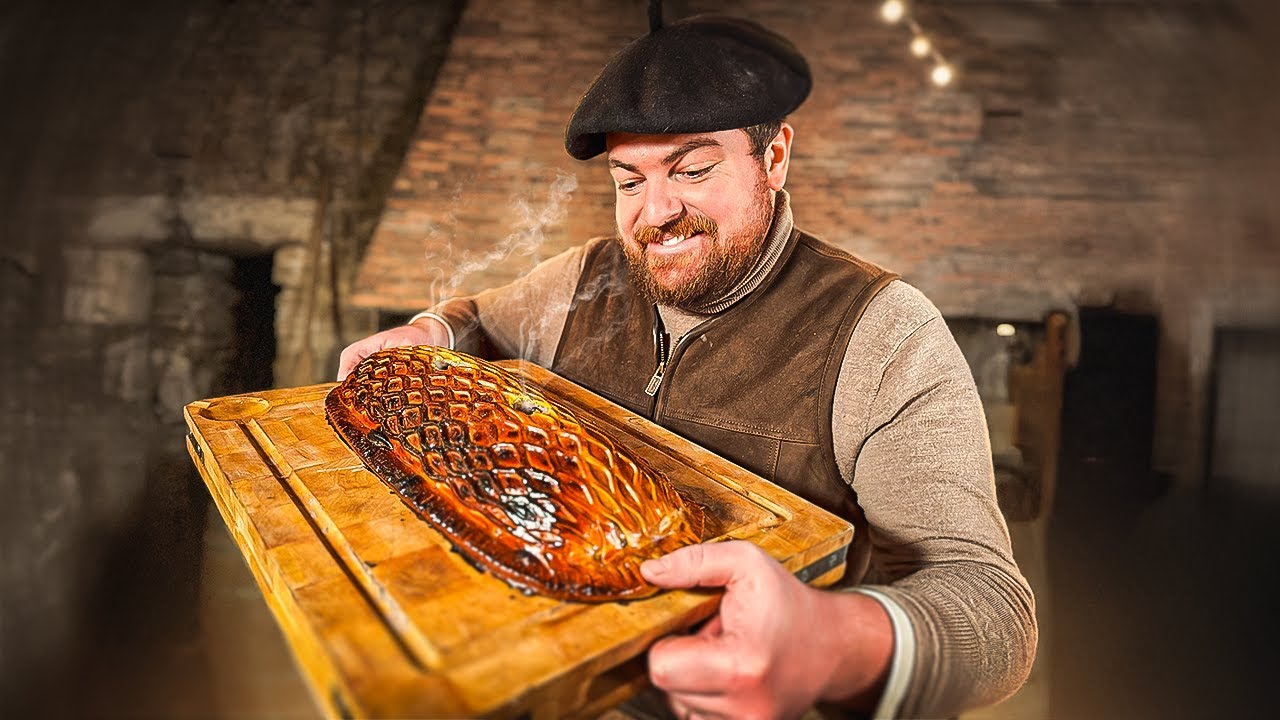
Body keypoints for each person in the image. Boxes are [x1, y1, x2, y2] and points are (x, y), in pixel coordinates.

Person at [338, 7, 1035, 720]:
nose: (656, 213)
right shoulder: (586, 276)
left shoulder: (883, 331)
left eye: (692, 169)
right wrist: (429, 329)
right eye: (628, 182)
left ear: (775, 158)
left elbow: (992, 611)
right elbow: (479, 319)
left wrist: (826, 643)